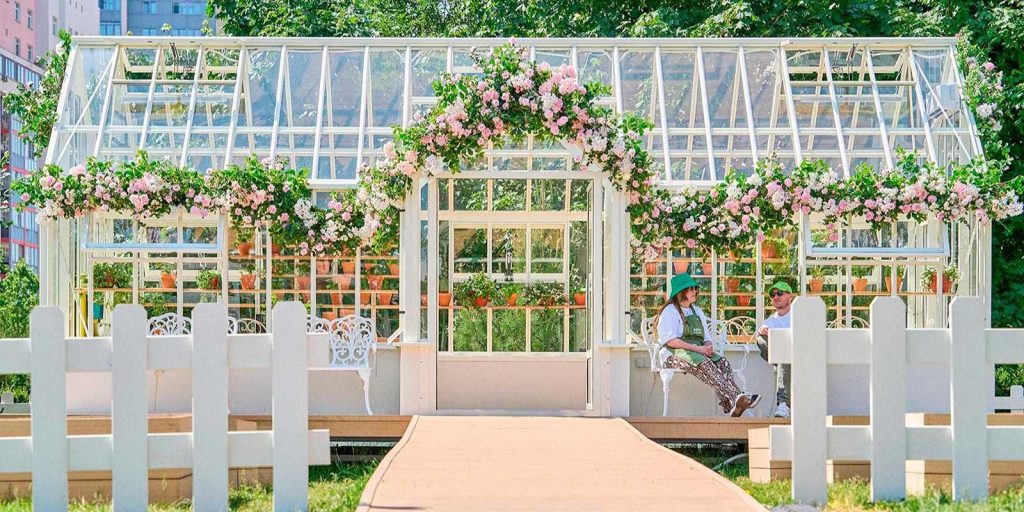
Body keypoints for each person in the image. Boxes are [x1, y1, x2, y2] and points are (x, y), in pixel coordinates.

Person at [657, 273, 760, 417]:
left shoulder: (697, 311)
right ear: (681, 292)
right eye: (691, 289)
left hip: (697, 352)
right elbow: (671, 341)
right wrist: (698, 349)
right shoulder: (670, 311)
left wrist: (708, 346)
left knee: (723, 363)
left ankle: (733, 404)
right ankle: (739, 398)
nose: (695, 291)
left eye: (695, 288)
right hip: (672, 353)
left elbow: (706, 337)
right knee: (705, 364)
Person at [757, 281, 794, 418]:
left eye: (779, 293)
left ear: (790, 296)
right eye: (772, 295)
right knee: (760, 339)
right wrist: (763, 331)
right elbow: (761, 339)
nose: (776, 297)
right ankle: (783, 405)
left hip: (801, 356)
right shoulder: (771, 320)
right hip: (783, 358)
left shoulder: (798, 315)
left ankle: (783, 403)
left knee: (785, 352)